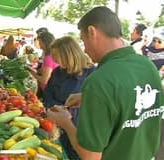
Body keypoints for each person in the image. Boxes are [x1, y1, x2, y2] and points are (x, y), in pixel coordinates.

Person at [47, 6, 164, 160]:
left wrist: (66, 123)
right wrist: (87, 96)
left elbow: (90, 156)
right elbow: (130, 98)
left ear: (92, 32)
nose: (85, 49)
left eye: (83, 41)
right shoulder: (147, 66)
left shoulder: (99, 80)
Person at [43, 36, 95, 159]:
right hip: (57, 127)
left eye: (56, 55)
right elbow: (48, 93)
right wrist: (53, 107)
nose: (54, 59)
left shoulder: (92, 74)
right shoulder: (57, 72)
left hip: (79, 130)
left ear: (68, 54)